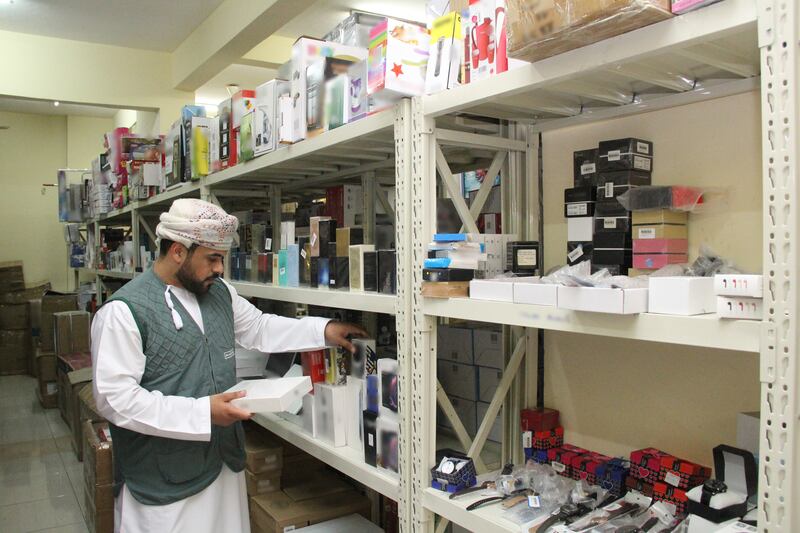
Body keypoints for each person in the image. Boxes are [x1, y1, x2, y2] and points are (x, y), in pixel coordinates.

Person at [91, 199, 366, 533]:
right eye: (212, 258)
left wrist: (323, 331)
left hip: (223, 466)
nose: (220, 268)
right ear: (178, 251)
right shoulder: (123, 312)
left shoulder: (219, 292)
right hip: (164, 485)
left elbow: (259, 328)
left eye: (222, 258)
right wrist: (202, 413)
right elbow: (115, 399)